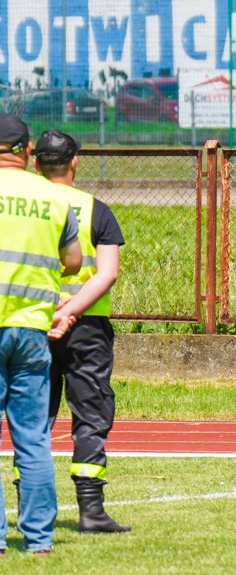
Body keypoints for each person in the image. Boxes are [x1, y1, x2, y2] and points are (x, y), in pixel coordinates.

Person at [22, 129, 130, 534]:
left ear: (36, 163)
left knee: (33, 416)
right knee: (91, 414)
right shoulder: (94, 209)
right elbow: (108, 272)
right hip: (87, 330)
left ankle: (31, 506)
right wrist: (72, 312)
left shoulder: (25, 207)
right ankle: (91, 510)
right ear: (74, 162)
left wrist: (53, 312)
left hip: (33, 322)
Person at [0, 113, 82, 555]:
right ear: (27, 152)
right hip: (33, 330)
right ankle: (40, 541)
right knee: (32, 438)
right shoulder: (51, 198)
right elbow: (72, 261)